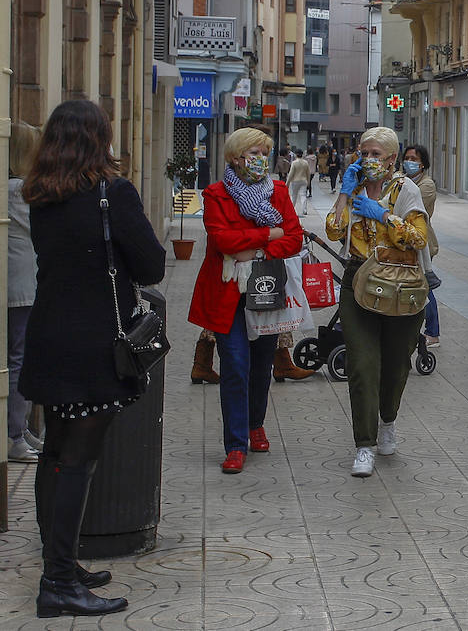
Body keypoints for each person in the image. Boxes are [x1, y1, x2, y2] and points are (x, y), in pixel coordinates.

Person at [21, 100, 165, 618]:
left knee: (54, 454)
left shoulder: (39, 193)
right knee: (77, 462)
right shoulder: (112, 193)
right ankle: (58, 581)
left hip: (49, 339)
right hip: (94, 348)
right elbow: (151, 265)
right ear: (97, 139)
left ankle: (58, 561)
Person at [188, 128, 305, 475]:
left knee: (261, 363)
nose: (260, 159)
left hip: (265, 289)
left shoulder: (278, 192)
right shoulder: (215, 194)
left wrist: (251, 249)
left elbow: (295, 238)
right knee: (235, 366)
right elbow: (222, 239)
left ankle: (256, 424)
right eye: (254, 152)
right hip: (227, 294)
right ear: (236, 157)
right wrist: (270, 233)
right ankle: (235, 444)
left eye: (263, 153)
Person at [326, 127, 432, 478]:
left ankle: (388, 420)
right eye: (363, 153)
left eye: (376, 155)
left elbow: (418, 238)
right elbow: (333, 230)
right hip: (358, 281)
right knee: (362, 363)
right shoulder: (354, 187)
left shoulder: (407, 190)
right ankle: (364, 444)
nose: (368, 160)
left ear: (391, 160)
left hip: (400, 285)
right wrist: (344, 193)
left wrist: (382, 214)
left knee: (397, 362)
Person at [7, 122, 41, 463]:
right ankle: (14, 433)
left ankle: (20, 429)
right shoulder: (18, 190)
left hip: (21, 285)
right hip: (23, 287)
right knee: (20, 359)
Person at [403, 145, 442, 349]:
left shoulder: (427, 186)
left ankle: (433, 332)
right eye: (407, 158)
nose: (409, 162)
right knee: (418, 286)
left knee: (425, 287)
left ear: (423, 164)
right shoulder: (403, 181)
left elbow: (405, 206)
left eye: (414, 159)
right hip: (404, 241)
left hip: (422, 244)